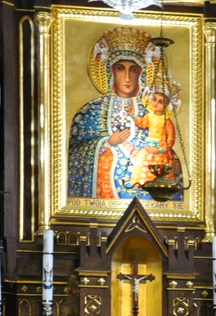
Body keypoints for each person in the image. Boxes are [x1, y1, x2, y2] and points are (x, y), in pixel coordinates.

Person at [68, 27, 167, 200]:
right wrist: (106, 143)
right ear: (110, 72)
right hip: (104, 188)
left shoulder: (151, 111)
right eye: (120, 68)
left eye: (134, 70)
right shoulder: (93, 110)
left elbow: (164, 145)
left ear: (142, 74)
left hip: (143, 185)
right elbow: (73, 153)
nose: (127, 77)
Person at [130, 90, 181, 188]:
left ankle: (158, 186)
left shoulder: (167, 121)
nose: (156, 103)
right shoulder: (149, 116)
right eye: (154, 99)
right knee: (142, 161)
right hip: (149, 149)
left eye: (160, 102)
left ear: (165, 105)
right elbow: (142, 124)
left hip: (161, 152)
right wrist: (133, 115)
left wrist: (159, 150)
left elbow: (170, 140)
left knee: (160, 169)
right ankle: (141, 184)